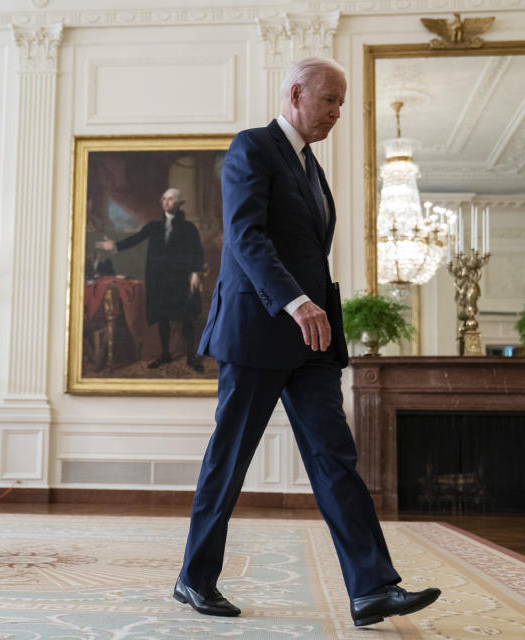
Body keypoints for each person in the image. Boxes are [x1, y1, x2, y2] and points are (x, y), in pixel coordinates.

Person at [173, 57, 441, 627]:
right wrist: (296, 301)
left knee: (335, 458)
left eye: (341, 104)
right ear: (296, 94)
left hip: (311, 340)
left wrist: (311, 311)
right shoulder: (252, 148)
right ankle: (194, 579)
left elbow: (306, 251)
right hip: (257, 332)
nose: (338, 113)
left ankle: (371, 588)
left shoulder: (310, 167)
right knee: (231, 460)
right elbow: (246, 237)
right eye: (330, 101)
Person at [95, 187, 206, 372]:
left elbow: (197, 252)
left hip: (181, 280)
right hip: (160, 281)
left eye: (171, 199)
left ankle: (191, 356)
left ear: (179, 203)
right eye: (164, 199)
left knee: (187, 318)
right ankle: (165, 354)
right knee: (162, 318)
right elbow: (135, 239)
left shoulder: (189, 228)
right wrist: (114, 245)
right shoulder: (154, 226)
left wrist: (195, 273)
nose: (166, 202)